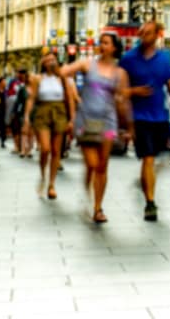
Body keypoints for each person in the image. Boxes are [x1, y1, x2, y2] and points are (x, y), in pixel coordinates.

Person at [119, 21, 170, 222]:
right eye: (142, 33)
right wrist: (134, 91)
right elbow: (119, 90)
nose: (143, 36)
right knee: (148, 158)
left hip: (160, 116)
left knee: (163, 158)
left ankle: (144, 182)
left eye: (148, 33)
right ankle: (150, 203)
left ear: (157, 34)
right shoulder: (129, 59)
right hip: (140, 117)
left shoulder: (164, 59)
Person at [59, 32, 130, 223]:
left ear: (114, 47)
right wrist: (62, 73)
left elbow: (122, 100)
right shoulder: (87, 64)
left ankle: (98, 208)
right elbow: (65, 71)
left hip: (108, 122)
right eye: (101, 43)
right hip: (86, 121)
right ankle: (88, 192)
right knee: (92, 164)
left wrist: (128, 127)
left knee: (102, 165)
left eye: (106, 43)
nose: (102, 46)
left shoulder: (120, 73)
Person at [24, 53, 75, 200]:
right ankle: (42, 176)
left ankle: (52, 184)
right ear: (43, 64)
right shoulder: (38, 79)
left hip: (59, 112)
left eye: (53, 60)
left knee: (56, 150)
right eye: (47, 61)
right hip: (43, 112)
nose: (51, 63)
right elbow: (31, 98)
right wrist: (27, 118)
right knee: (45, 149)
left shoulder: (63, 78)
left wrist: (72, 119)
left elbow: (70, 99)